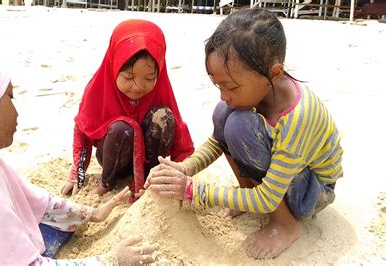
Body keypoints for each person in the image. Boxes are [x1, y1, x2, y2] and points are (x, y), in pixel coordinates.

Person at [0, 53, 157, 265]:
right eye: (9, 97)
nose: (16, 112)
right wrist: (110, 260)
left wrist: (91, 214)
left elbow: (33, 201)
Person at [145, 9, 343, 260]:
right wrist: (185, 169)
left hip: (312, 191)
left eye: (231, 86)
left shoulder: (297, 117)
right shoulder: (258, 90)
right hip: (285, 177)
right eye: (219, 85)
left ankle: (285, 224)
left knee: (239, 125)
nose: (223, 94)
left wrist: (193, 190)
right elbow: (219, 141)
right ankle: (245, 192)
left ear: (274, 74)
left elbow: (268, 197)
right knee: (224, 113)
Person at [61, 19, 194, 199]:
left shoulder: (161, 90)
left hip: (149, 158)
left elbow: (179, 138)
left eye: (148, 78)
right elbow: (82, 131)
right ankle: (106, 183)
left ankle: (149, 178)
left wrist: (184, 171)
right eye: (129, 77)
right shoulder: (98, 88)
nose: (138, 87)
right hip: (115, 156)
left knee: (164, 117)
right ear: (114, 66)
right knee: (121, 129)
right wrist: (77, 172)